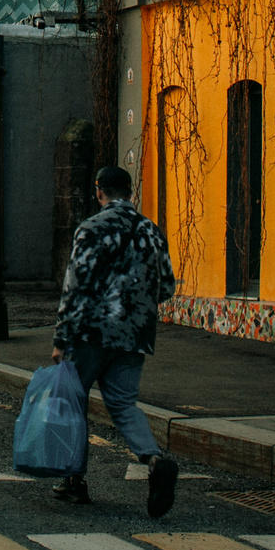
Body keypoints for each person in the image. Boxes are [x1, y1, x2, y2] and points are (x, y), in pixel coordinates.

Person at [48, 164, 179, 517]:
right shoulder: (150, 231)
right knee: (123, 404)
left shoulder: (92, 229)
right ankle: (153, 460)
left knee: (74, 401)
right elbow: (166, 285)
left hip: (91, 332)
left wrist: (62, 338)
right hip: (135, 334)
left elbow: (76, 287)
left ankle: (74, 480)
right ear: (131, 191)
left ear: (98, 191)